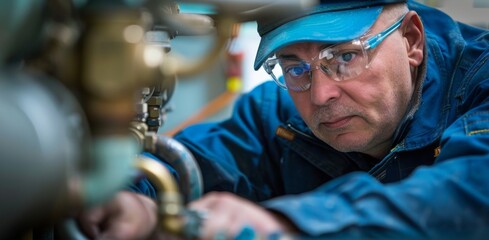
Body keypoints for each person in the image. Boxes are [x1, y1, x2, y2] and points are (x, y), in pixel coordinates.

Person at [77, 0, 489, 239]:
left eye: (345, 57)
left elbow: (469, 194)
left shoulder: (480, 82)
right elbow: (194, 162)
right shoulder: (278, 116)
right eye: (294, 68)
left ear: (411, 40)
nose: (321, 94)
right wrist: (136, 199)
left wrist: (290, 225)